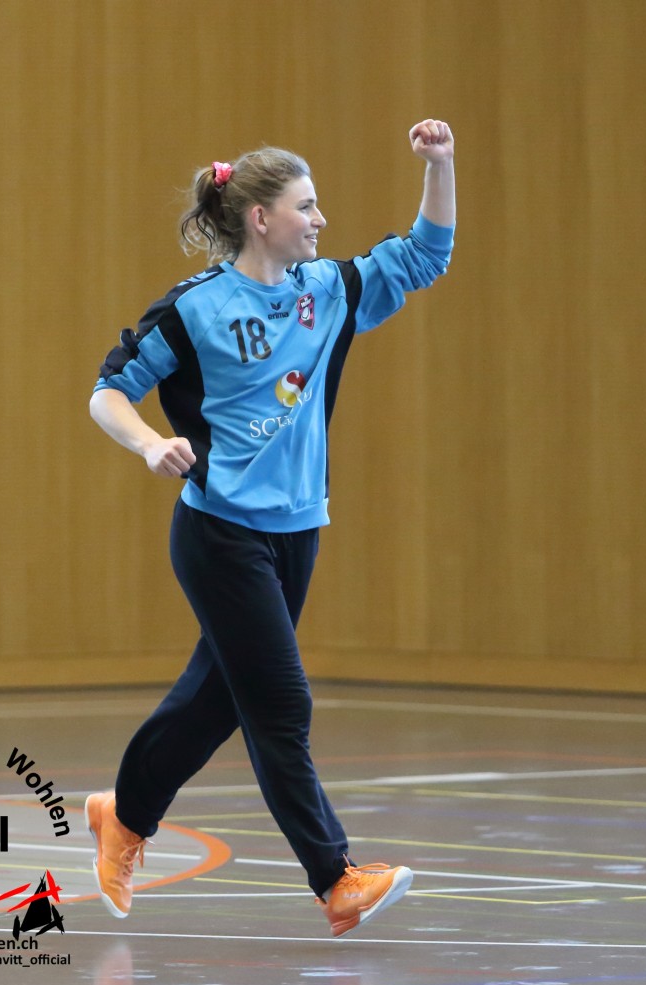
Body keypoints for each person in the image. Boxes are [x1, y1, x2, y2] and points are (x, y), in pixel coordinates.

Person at [84, 119, 455, 938]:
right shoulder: (196, 309)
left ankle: (125, 814)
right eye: (306, 206)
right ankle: (336, 879)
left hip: (297, 531)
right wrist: (148, 444)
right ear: (261, 218)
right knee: (280, 702)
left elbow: (427, 255)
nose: (320, 220)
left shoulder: (330, 291)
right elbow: (108, 392)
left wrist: (440, 164)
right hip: (219, 533)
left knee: (218, 698)